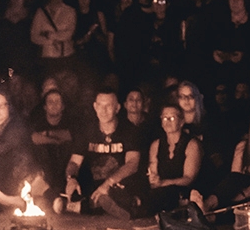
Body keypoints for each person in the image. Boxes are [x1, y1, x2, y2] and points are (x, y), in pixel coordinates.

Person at [64, 88, 145, 220]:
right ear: (95, 107)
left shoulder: (129, 130)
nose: (104, 110)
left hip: (118, 184)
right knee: (77, 190)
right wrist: (71, 178)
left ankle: (82, 207)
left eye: (108, 106)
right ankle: (93, 204)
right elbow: (74, 162)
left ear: (117, 108)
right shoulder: (87, 130)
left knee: (127, 192)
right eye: (100, 105)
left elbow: (133, 164)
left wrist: (108, 184)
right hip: (95, 185)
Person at [192, 107, 250, 217]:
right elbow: (234, 176)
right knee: (232, 183)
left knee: (235, 199)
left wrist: (243, 194)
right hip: (241, 188)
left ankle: (207, 206)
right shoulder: (243, 146)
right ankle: (207, 209)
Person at [143, 102, 202, 216]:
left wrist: (164, 183)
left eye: (171, 118)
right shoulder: (156, 145)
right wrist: (154, 180)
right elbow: (153, 173)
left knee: (167, 195)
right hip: (161, 189)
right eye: (164, 118)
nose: (167, 121)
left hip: (183, 190)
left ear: (181, 122)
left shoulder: (192, 144)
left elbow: (188, 178)